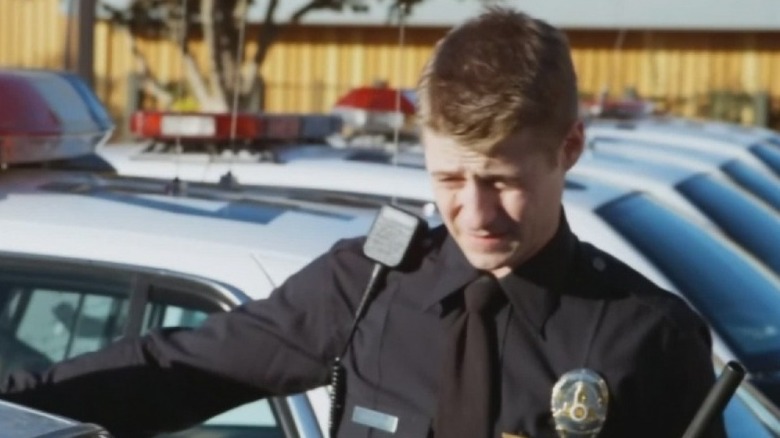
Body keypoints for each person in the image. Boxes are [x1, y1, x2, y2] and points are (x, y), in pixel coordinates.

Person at [0, 6, 724, 438]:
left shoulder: (647, 336)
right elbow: (177, 369)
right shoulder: (369, 288)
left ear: (568, 150)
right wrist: (17, 409)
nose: (474, 213)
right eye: (448, 179)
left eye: (503, 182)